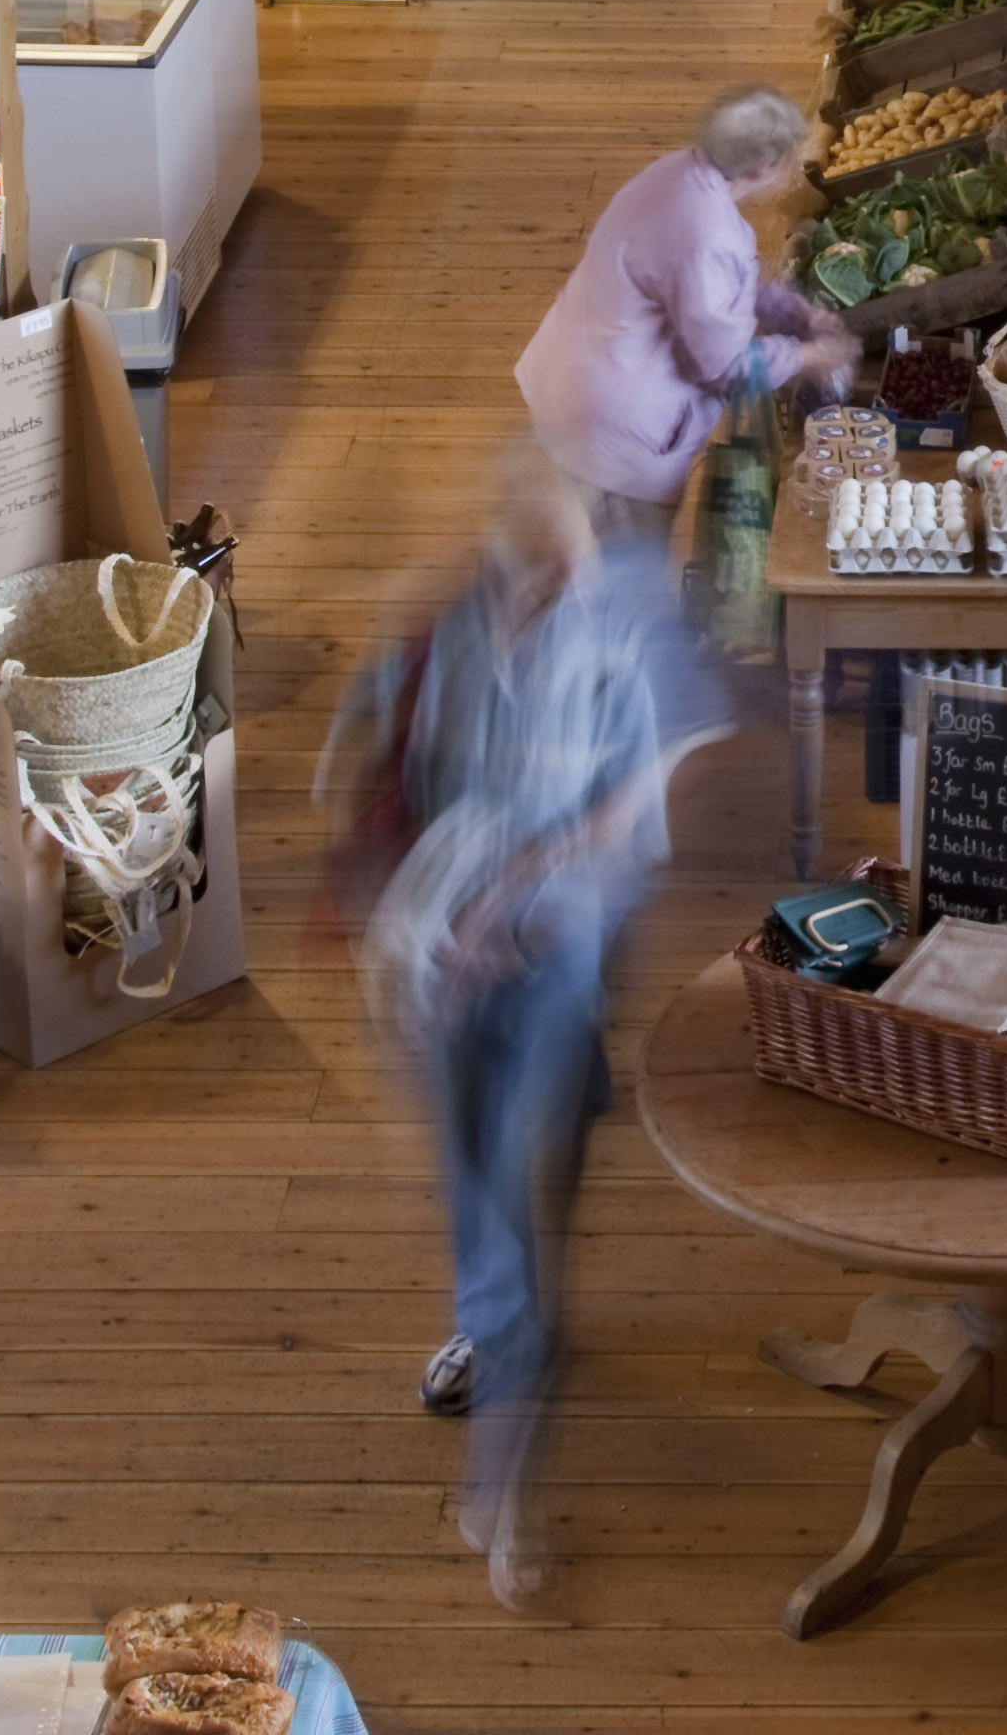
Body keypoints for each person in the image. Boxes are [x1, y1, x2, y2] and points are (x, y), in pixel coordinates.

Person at [343, 466, 719, 1607]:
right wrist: (419, 917)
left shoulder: (616, 634)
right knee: (477, 1177)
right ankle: (492, 1325)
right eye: (543, 573)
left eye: (576, 573)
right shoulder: (446, 633)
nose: (564, 590)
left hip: (551, 957)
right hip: (443, 966)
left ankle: (503, 1487)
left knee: (513, 1193)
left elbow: (630, 808)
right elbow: (380, 777)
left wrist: (518, 890)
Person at [512, 86, 852, 526]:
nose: (792, 174)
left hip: (568, 377)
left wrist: (781, 305)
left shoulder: (674, 173)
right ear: (765, 165)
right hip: (617, 427)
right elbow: (724, 365)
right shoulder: (707, 235)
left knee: (560, 544)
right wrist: (808, 356)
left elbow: (685, 289)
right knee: (619, 561)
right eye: (790, 161)